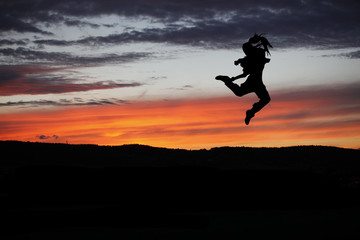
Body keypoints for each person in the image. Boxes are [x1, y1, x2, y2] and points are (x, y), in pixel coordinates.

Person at [215, 34, 272, 125]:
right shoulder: (251, 58)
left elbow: (245, 69)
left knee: (264, 99)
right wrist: (233, 77)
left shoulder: (255, 56)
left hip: (257, 83)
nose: (246, 54)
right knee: (242, 93)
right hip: (254, 82)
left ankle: (250, 112)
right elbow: (244, 73)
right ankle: (250, 112)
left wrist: (234, 75)